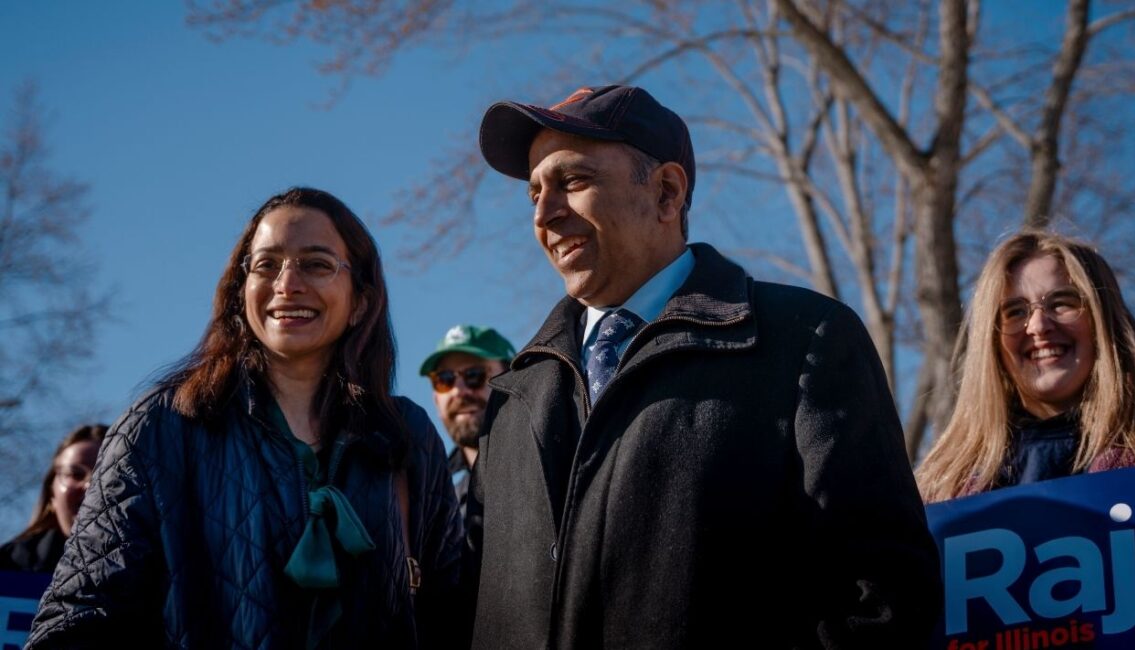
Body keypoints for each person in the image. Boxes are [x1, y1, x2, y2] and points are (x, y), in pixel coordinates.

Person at [464, 84, 942, 648]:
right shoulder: (511, 398)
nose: (545, 214)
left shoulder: (804, 340)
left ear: (667, 192)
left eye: (573, 181)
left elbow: (885, 594)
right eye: (535, 194)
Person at [27, 188, 462, 648]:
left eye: (316, 263)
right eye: (266, 264)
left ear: (360, 301)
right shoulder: (159, 427)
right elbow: (75, 622)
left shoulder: (406, 437)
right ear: (240, 293)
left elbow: (451, 617)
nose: (287, 283)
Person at [916, 230, 1135, 502]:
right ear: (991, 342)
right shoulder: (940, 488)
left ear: (1103, 319)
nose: (1038, 326)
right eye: (1015, 311)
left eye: (1062, 303)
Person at [418, 324, 515, 519]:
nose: (458, 391)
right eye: (444, 380)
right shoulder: (436, 508)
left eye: (474, 375)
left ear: (514, 384)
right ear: (436, 400)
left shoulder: (553, 469)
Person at [0, 424, 107, 573]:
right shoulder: (7, 567)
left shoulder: (149, 574)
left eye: (105, 476)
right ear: (51, 494)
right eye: (75, 474)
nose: (89, 486)